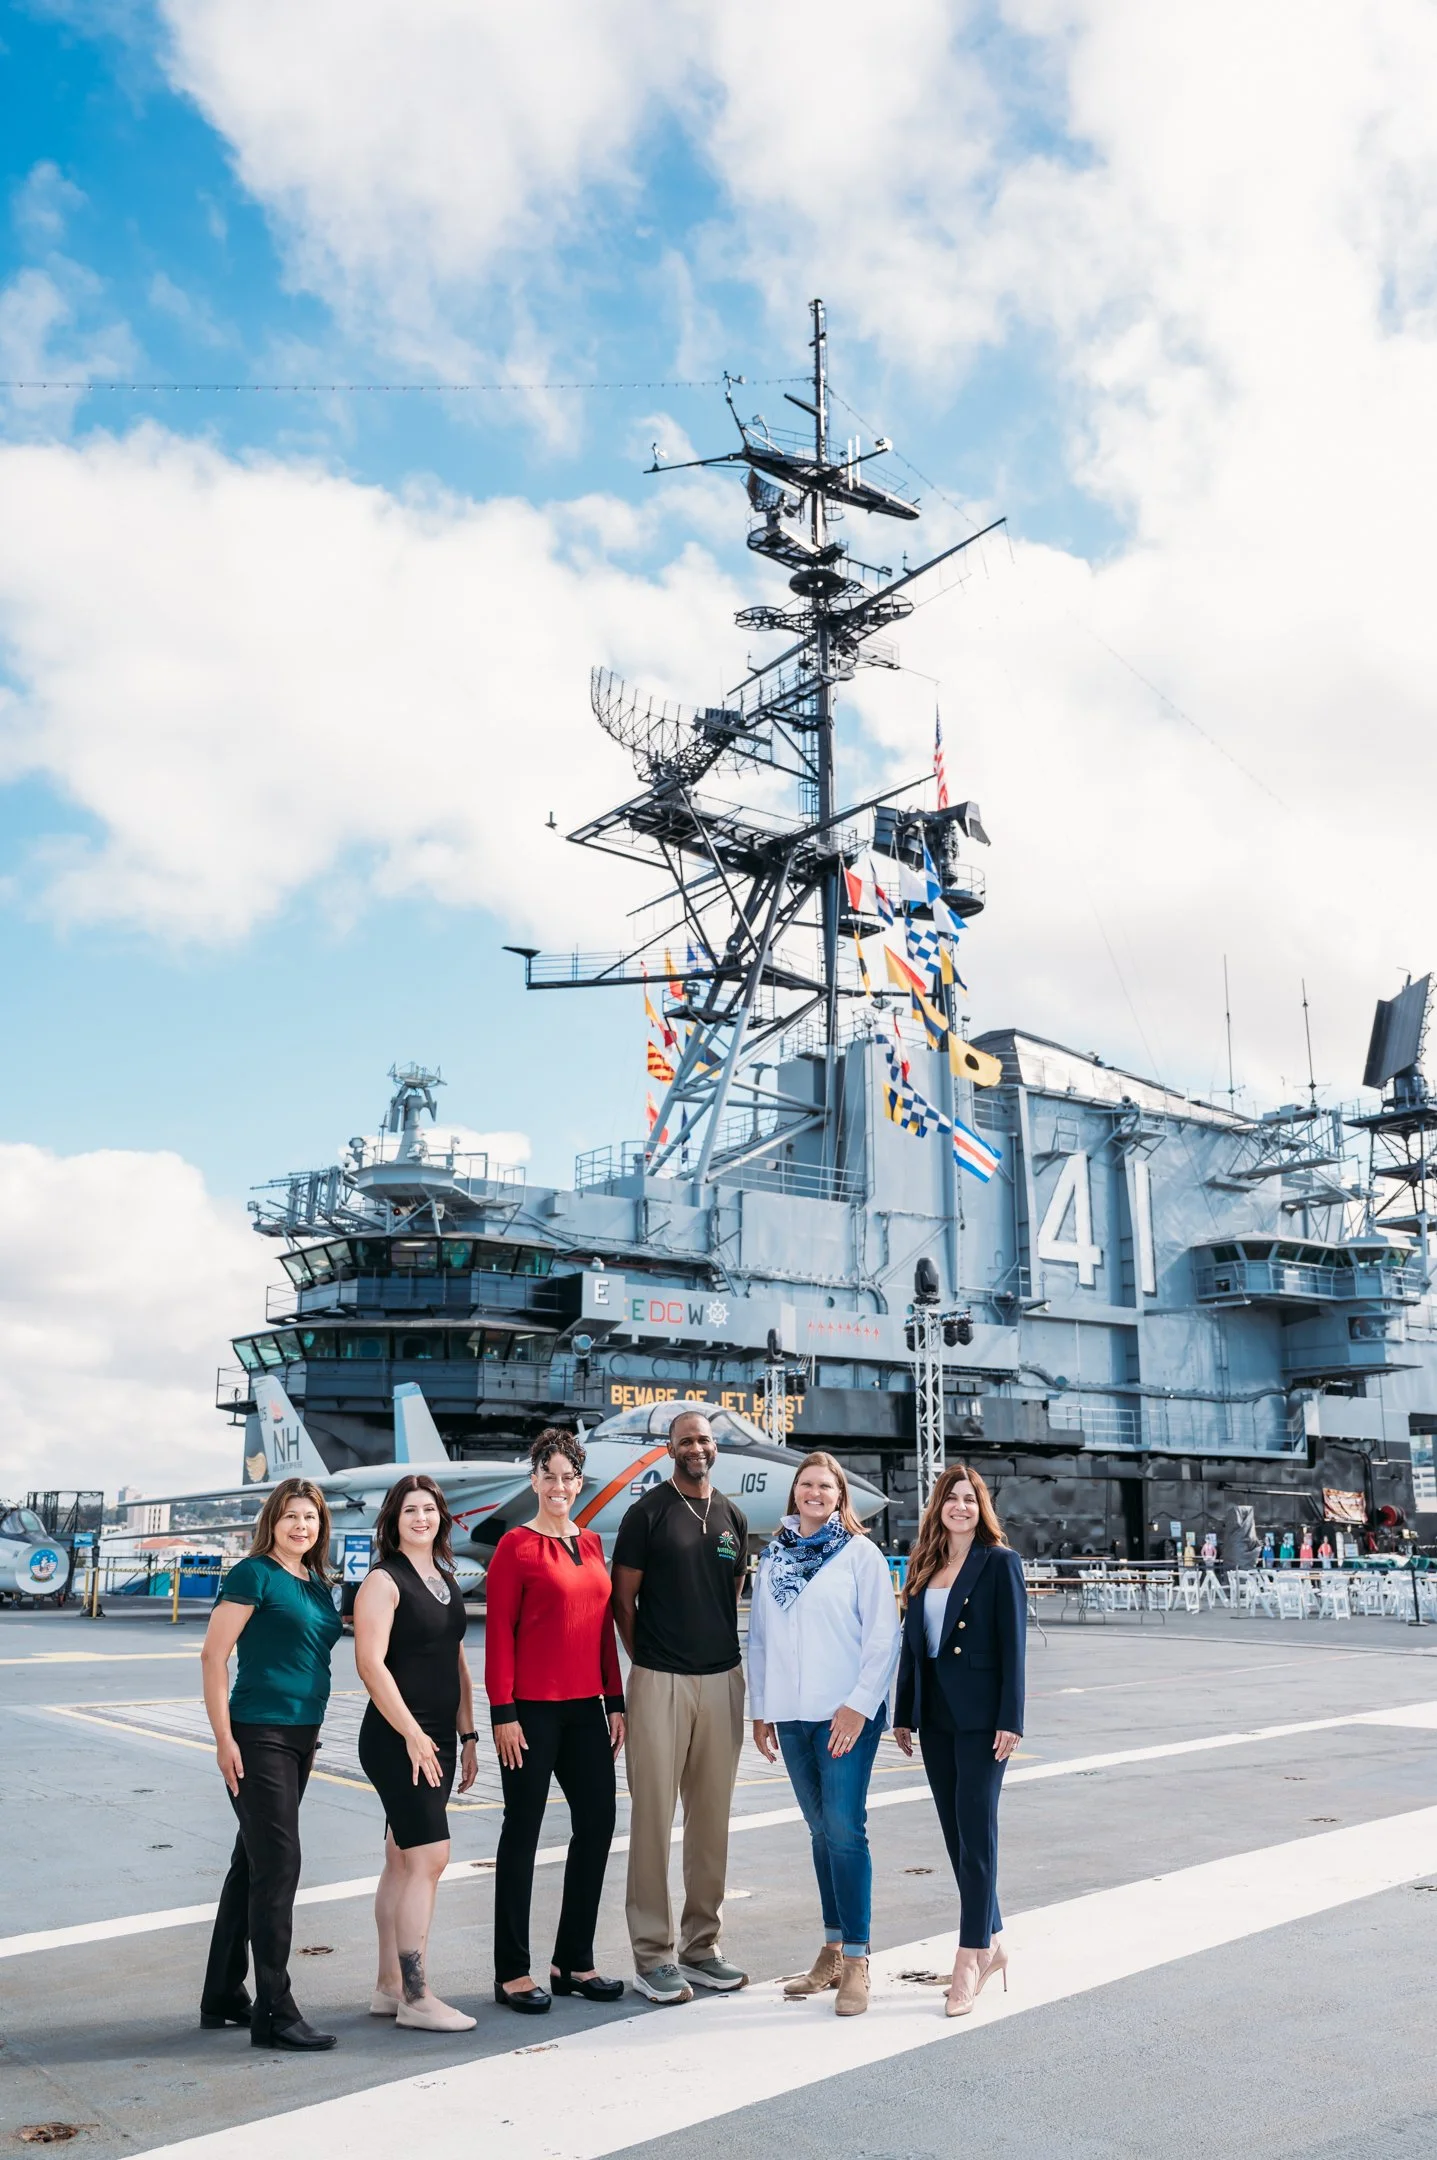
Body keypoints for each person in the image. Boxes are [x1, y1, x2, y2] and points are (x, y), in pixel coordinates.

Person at [749, 1452, 900, 2018]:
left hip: (844, 1716)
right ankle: (833, 1946)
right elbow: (760, 1639)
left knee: (843, 1828)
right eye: (806, 1485)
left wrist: (859, 1707)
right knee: (819, 1831)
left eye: (825, 1486)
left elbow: (883, 1639)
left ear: (840, 1497)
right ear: (795, 1494)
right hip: (791, 1715)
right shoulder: (774, 1559)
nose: (814, 1493)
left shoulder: (860, 1555)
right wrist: (762, 1710)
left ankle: (858, 1959)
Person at [485, 1429, 626, 2014]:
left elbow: (602, 1631)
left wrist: (615, 1701)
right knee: (522, 1832)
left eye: (569, 1477)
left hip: (587, 1710)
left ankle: (573, 1960)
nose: (560, 1486)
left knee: (597, 1825)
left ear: (579, 1482)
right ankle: (512, 1970)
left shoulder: (592, 1544)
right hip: (530, 1714)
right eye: (550, 1475)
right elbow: (497, 1638)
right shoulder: (513, 1547)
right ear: (533, 1480)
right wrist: (502, 1713)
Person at [199, 1477, 343, 2050]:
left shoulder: (317, 1583)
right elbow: (214, 1655)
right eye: (290, 1517)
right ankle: (274, 2011)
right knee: (280, 1863)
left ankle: (221, 1994)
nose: (301, 1526)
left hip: (302, 1737)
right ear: (272, 1523)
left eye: (310, 1518)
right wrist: (222, 1738)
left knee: (251, 1863)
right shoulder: (253, 1573)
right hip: (258, 1735)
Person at [611, 1408, 748, 2005]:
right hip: (660, 1679)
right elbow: (623, 1602)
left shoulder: (733, 1516)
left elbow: (732, 1592)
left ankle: (701, 1947)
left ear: (715, 1449)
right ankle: (652, 1955)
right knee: (652, 1821)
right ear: (670, 1448)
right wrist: (651, 1662)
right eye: (687, 1439)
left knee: (711, 1821)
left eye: (705, 1440)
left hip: (722, 1680)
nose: (697, 1447)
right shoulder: (646, 1514)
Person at [893, 1463, 1026, 2020]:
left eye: (970, 1499)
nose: (961, 1508)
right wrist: (903, 1714)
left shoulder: (999, 1563)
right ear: (937, 1507)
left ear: (982, 1507)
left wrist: (1010, 1719)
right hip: (937, 1718)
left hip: (981, 1720)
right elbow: (913, 1647)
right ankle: (992, 1942)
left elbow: (1014, 1646)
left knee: (977, 1834)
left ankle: (969, 1958)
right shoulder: (925, 1564)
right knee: (956, 1836)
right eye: (951, 1499)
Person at [354, 1473, 478, 2033]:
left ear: (442, 1517)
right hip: (397, 1737)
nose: (421, 1518)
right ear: (393, 1520)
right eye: (410, 1511)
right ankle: (417, 1996)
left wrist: (468, 1733)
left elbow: (454, 1658)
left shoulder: (445, 1579)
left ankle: (388, 1987)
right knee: (430, 1856)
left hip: (437, 1735)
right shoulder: (383, 1580)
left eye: (429, 1509)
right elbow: (371, 1664)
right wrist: (409, 1732)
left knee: (402, 1858)